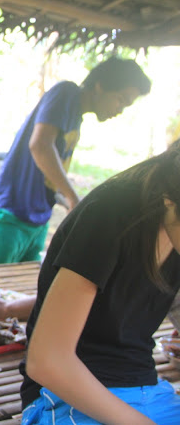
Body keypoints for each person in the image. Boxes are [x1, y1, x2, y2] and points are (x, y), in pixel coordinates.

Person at [19, 142, 180, 424]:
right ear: (170, 199)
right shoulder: (111, 212)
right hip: (65, 392)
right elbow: (47, 361)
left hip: (145, 389)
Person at [0, 57, 151, 266]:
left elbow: (48, 171)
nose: (120, 110)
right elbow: (40, 146)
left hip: (38, 220)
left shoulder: (76, 117)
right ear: (100, 86)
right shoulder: (66, 93)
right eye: (120, 99)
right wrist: (73, 198)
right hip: (10, 216)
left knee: (19, 286)